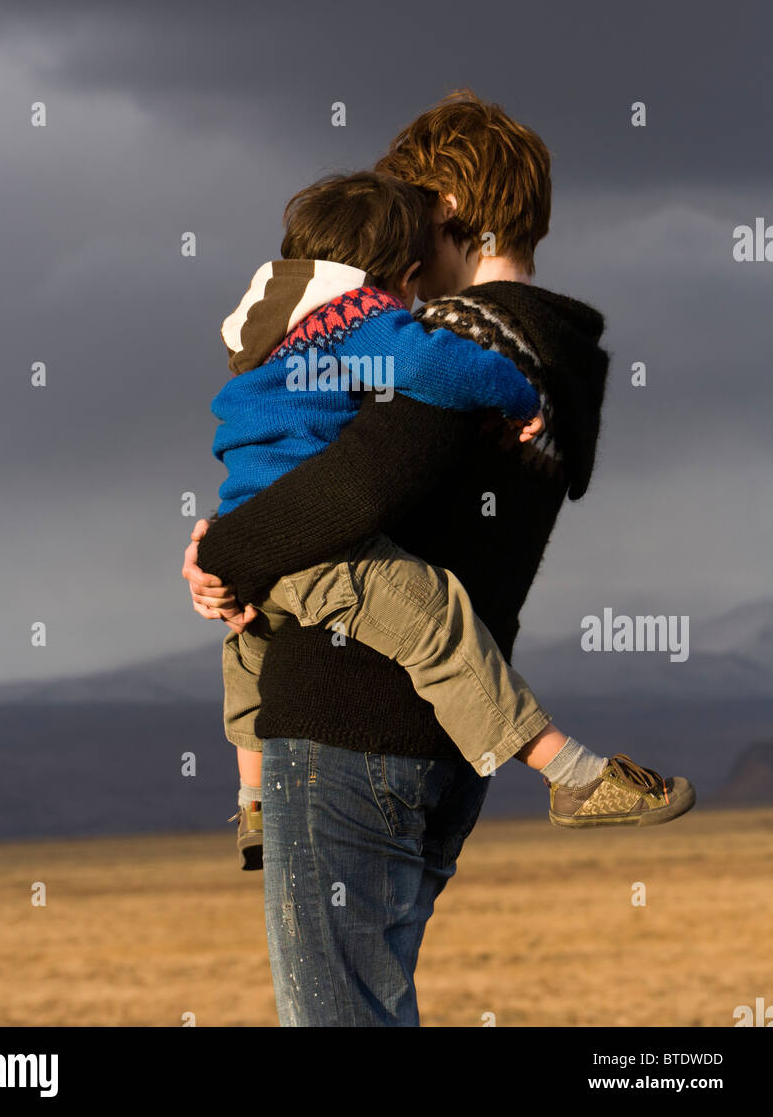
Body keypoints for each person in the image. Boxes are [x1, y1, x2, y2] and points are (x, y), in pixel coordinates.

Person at [184, 91, 695, 1027]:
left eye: (405, 215)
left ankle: (573, 772)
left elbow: (359, 491)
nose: (394, 261)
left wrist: (224, 551)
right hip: (439, 739)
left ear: (447, 210)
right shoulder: (556, 351)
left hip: (351, 721)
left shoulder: (461, 342)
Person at [211, 169, 635, 869]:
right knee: (436, 617)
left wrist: (223, 553)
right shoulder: (356, 320)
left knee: (248, 650)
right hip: (312, 545)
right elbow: (434, 366)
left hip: (248, 519)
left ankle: (252, 804)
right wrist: (516, 392)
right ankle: (570, 773)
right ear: (401, 275)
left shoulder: (272, 325)